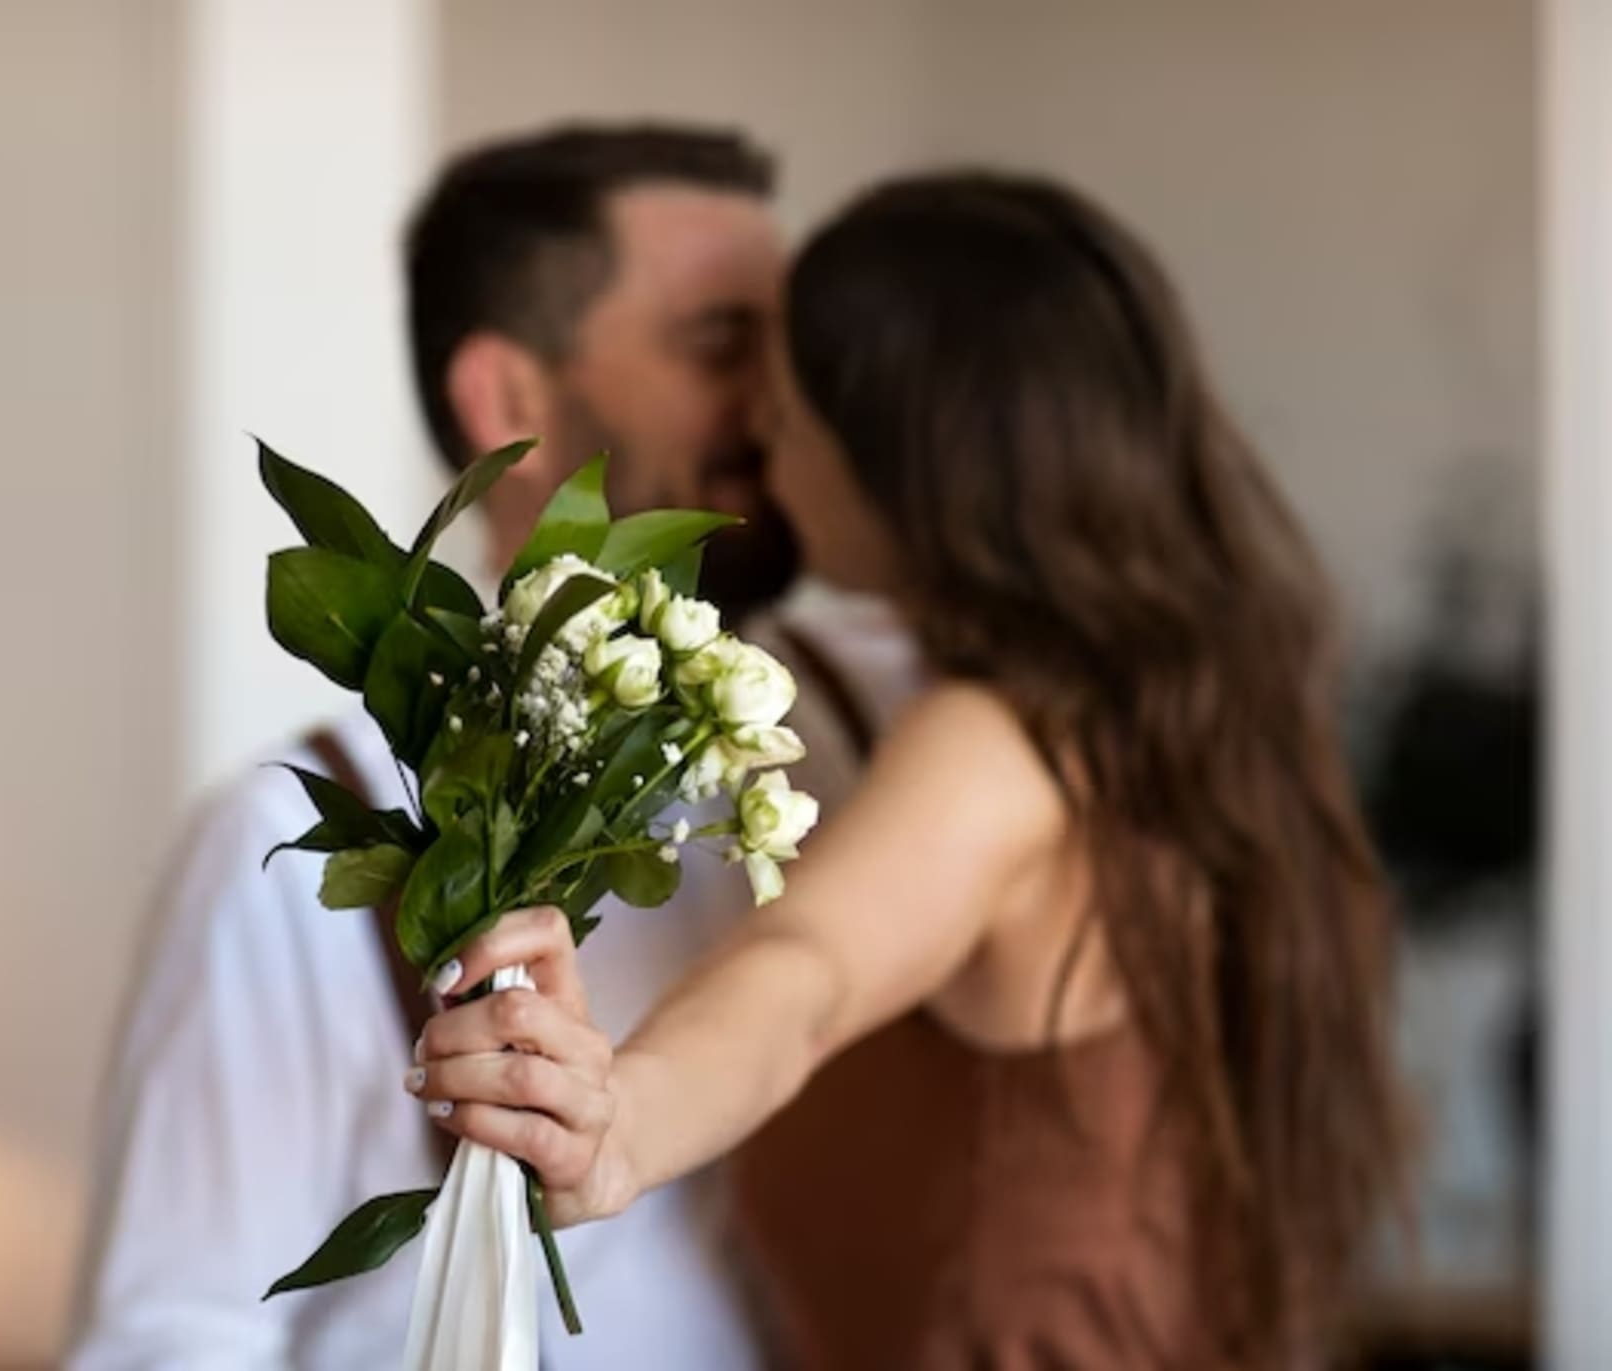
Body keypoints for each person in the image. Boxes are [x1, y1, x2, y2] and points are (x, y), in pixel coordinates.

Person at [409, 172, 1412, 1369]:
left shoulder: (999, 745)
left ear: (903, 452)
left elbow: (806, 975)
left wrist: (619, 1127)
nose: (763, 455)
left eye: (782, 414)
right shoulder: (1181, 713)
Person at [66, 124, 803, 1371]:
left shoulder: (838, 748)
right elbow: (171, 1342)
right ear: (509, 397)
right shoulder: (289, 853)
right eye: (722, 347)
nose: (781, 404)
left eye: (790, 352)